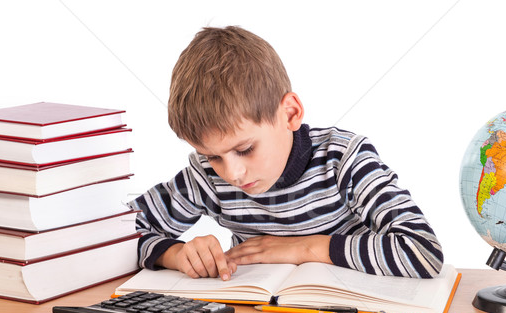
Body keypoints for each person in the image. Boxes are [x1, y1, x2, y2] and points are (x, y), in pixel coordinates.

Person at [128, 25, 444, 281]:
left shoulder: (344, 160)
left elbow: (422, 251)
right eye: (213, 156)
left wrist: (307, 248)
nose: (231, 174)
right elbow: (116, 236)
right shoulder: (206, 176)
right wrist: (177, 254)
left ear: (290, 113)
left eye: (245, 149)